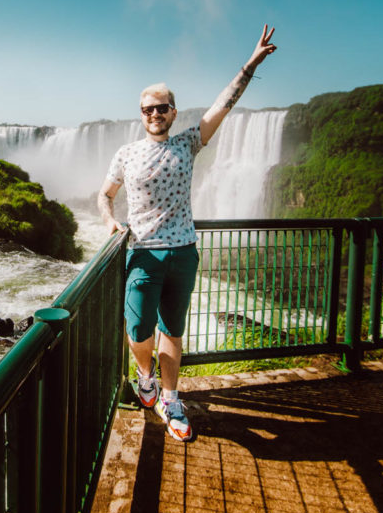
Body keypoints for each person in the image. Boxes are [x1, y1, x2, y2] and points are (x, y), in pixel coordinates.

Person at [98, 25, 277, 442]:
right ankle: (146, 375)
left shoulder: (188, 143)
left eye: (162, 108)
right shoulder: (126, 154)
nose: (155, 115)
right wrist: (109, 220)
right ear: (140, 115)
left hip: (184, 253)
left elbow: (223, 106)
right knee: (138, 331)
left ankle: (172, 399)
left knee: (173, 332)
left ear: (174, 112)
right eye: (148, 110)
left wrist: (249, 66)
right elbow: (104, 195)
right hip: (142, 253)